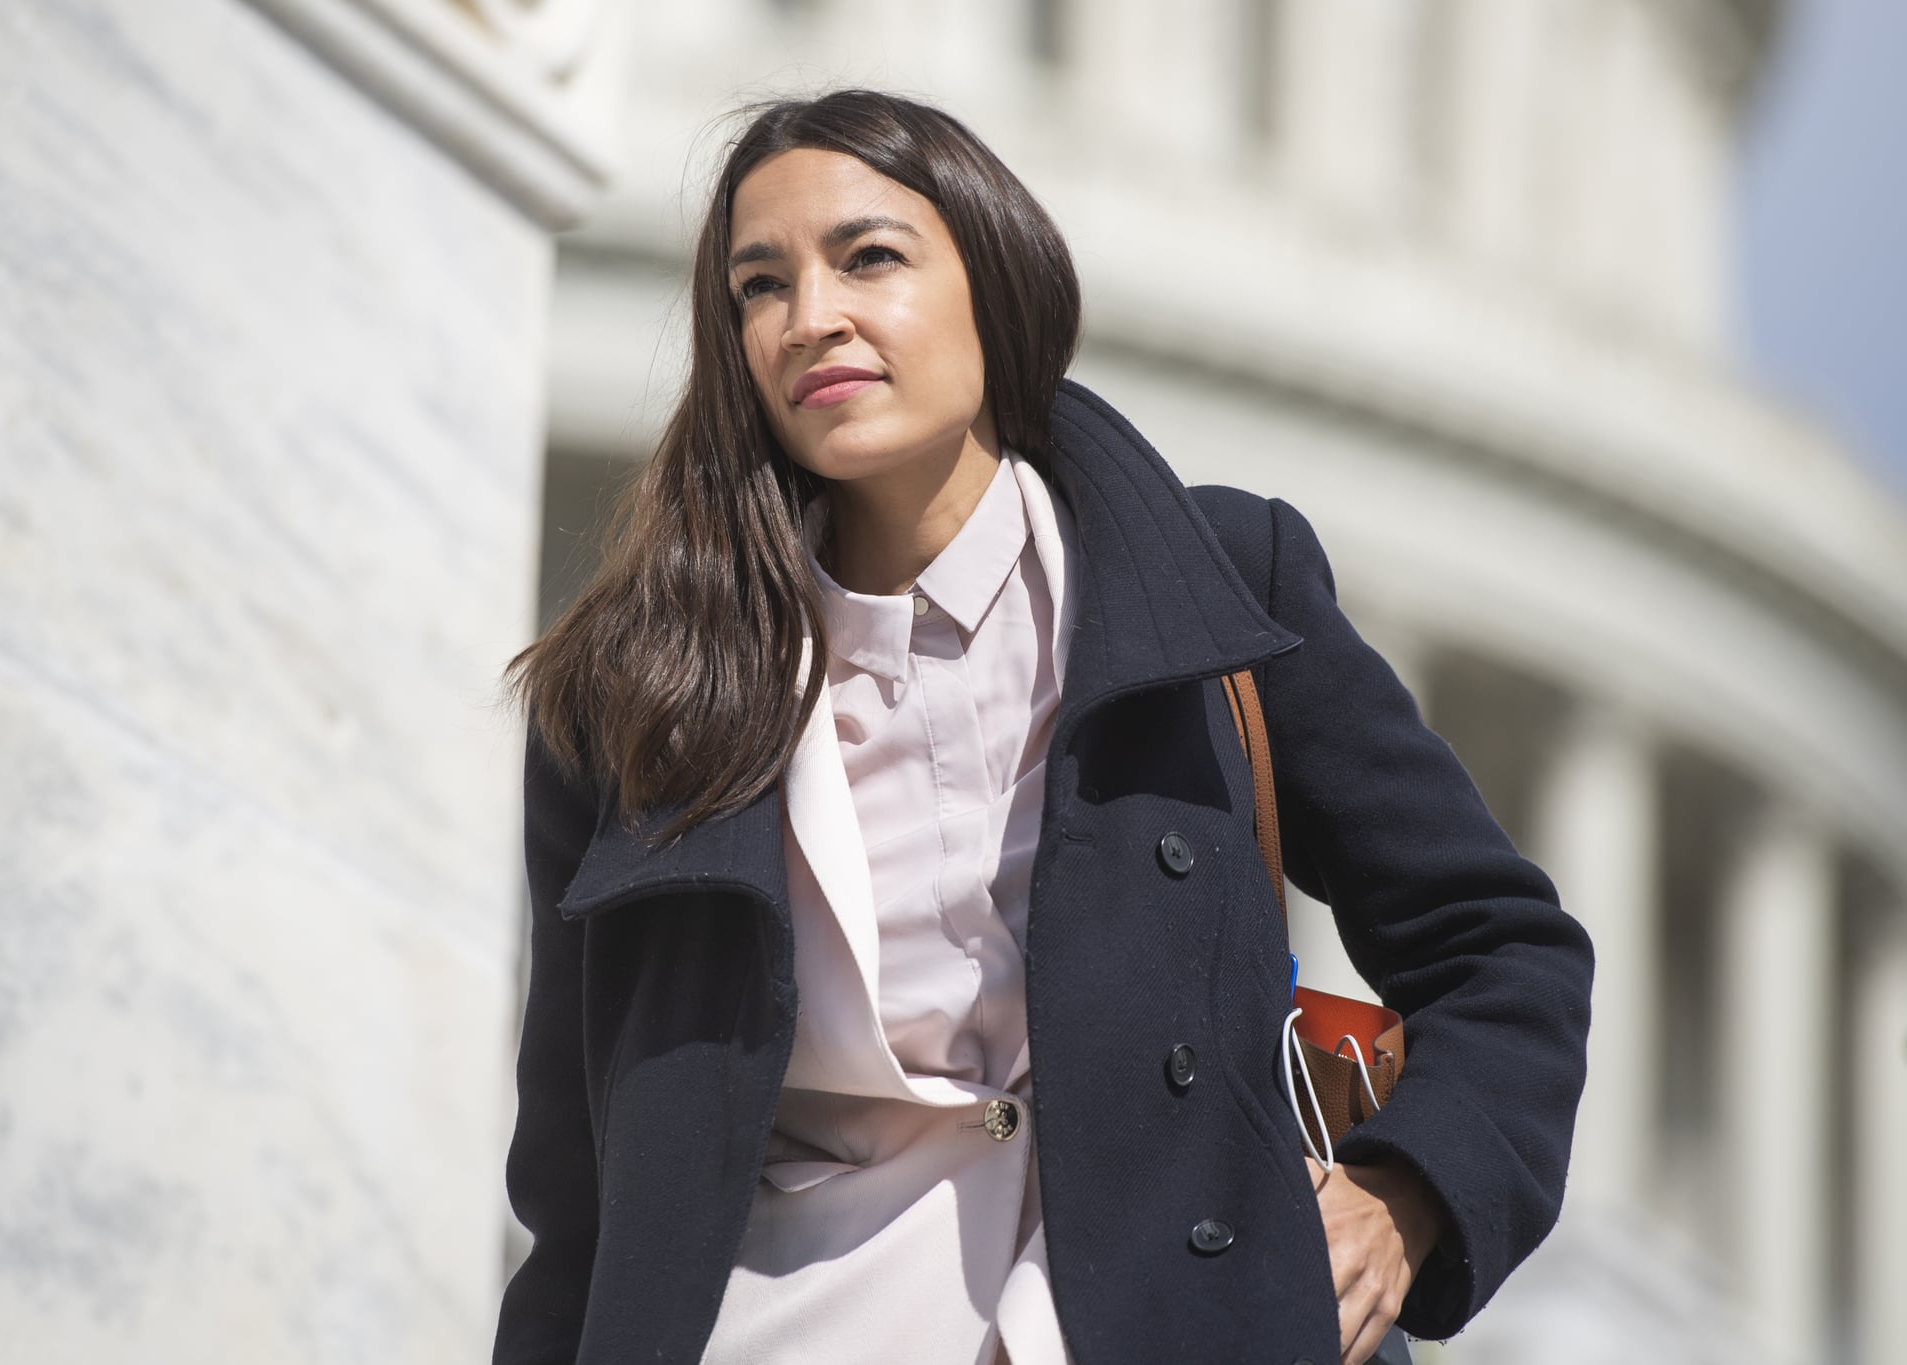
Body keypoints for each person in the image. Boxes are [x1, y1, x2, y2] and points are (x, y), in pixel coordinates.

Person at [494, 88, 1594, 1365]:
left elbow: (1504, 950)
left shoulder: (1220, 582)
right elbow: (576, 1187)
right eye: (758, 285)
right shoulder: (636, 693)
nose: (810, 320)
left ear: (995, 282)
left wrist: (1407, 1198)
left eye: (869, 258)